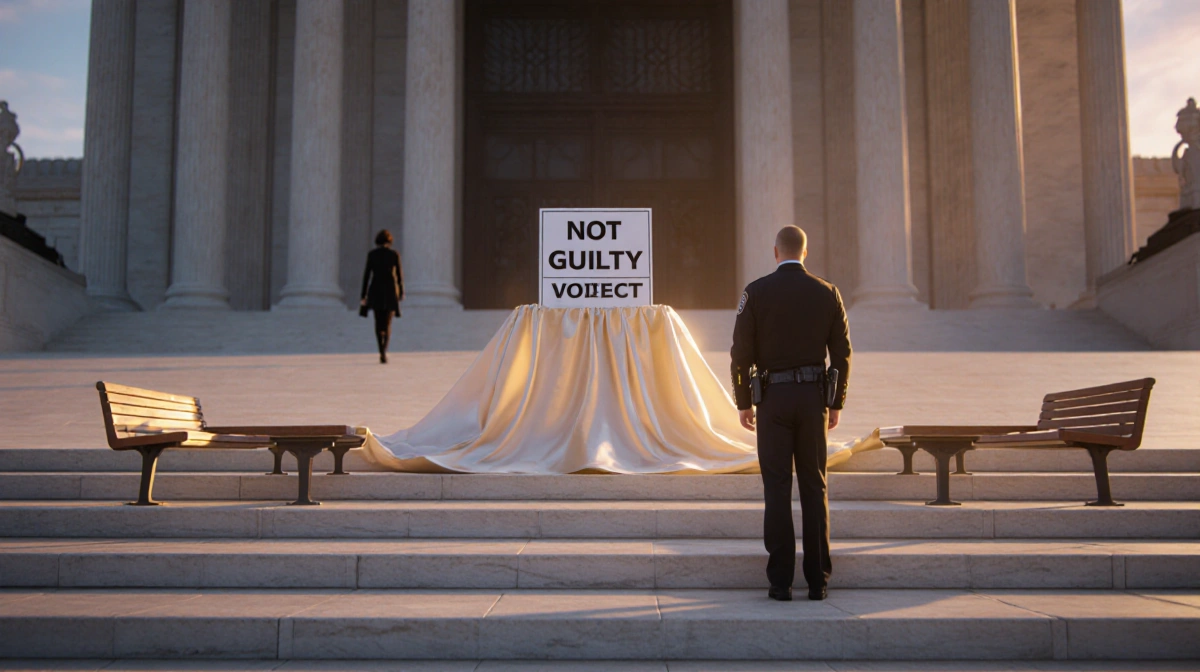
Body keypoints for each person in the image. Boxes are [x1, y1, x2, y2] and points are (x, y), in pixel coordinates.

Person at [730, 225, 851, 602]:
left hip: (774, 400)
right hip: (813, 399)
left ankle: (780, 582)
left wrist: (743, 402)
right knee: (815, 487)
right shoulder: (828, 292)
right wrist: (836, 403)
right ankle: (818, 581)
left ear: (775, 251)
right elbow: (842, 355)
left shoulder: (756, 292)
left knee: (777, 488)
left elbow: (740, 354)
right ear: (806, 251)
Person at [361, 230, 403, 363]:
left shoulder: (372, 255)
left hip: (376, 290)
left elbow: (367, 276)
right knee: (388, 323)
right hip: (390, 291)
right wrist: (401, 292)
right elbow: (399, 276)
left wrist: (363, 295)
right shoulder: (393, 254)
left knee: (378, 323)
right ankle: (385, 350)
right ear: (389, 241)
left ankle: (380, 350)